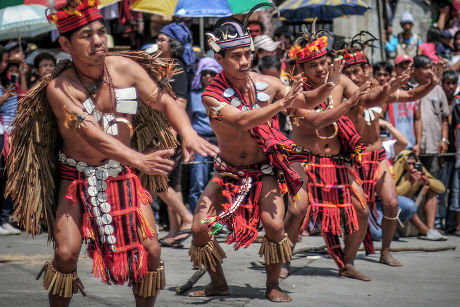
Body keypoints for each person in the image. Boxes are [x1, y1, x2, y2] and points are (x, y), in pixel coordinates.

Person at [6, 1, 218, 306]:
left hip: (123, 175)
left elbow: (166, 101)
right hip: (76, 177)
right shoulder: (59, 87)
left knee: (152, 251)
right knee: (65, 254)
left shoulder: (124, 68)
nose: (97, 40)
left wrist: (188, 132)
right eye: (86, 35)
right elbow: (91, 134)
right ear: (65, 43)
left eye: (100, 32)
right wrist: (138, 159)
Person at [188, 11, 341, 302]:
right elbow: (242, 121)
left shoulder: (268, 84)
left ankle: (273, 284)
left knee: (273, 226)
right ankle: (218, 283)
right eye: (236, 56)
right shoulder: (212, 95)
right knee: (200, 229)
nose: (245, 61)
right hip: (228, 174)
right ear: (220, 60)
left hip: (264, 172)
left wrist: (330, 85)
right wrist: (281, 103)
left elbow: (306, 101)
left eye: (248, 54)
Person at [339, 36, 442, 267]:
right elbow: (365, 101)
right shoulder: (344, 92)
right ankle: (348, 258)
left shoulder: (380, 90)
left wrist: (433, 83)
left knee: (392, 203)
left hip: (377, 157)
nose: (354, 76)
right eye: (349, 71)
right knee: (359, 211)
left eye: (358, 70)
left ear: (368, 69)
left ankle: (385, 251)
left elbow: (412, 95)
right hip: (351, 159)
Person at [283, 23, 372, 281]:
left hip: (336, 160)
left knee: (362, 211)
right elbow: (316, 121)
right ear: (302, 69)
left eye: (323, 62)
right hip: (303, 157)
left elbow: (368, 99)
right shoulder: (295, 92)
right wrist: (349, 103)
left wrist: (390, 90)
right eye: (314, 65)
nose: (321, 69)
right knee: (298, 210)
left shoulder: (341, 80)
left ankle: (348, 263)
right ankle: (284, 258)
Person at [156, 21, 196, 248]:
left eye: (162, 39)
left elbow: (179, 102)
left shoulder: (176, 67)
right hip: (167, 131)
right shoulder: (164, 64)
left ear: (173, 44)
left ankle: (187, 219)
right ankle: (175, 230)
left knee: (157, 181)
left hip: (170, 132)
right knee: (173, 183)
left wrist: (170, 133)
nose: (158, 43)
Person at [369, 119, 418, 241]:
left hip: (385, 199)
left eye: (384, 133)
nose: (383, 136)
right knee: (377, 235)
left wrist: (387, 125)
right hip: (369, 201)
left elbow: (404, 142)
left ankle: (389, 228)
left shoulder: (386, 147)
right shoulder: (364, 146)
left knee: (410, 206)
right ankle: (369, 226)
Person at [188, 57, 222, 214]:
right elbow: (187, 119)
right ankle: (198, 217)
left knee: (219, 181)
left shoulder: (223, 94)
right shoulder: (193, 94)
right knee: (198, 181)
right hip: (200, 141)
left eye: (212, 73)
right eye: (204, 73)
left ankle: (219, 220)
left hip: (219, 141)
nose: (207, 76)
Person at [393, 151, 447, 241]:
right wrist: (410, 182)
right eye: (409, 163)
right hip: (401, 204)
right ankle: (425, 231)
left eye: (413, 163)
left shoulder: (419, 169)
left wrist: (428, 181)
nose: (411, 166)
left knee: (432, 192)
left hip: (414, 202)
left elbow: (442, 188)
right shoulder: (398, 168)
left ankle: (431, 229)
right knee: (408, 202)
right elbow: (393, 193)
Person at [411, 55, 450, 179]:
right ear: (414, 70)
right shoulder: (408, 89)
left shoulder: (438, 90)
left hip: (433, 144)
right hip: (412, 147)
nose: (429, 71)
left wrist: (444, 140)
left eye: (430, 68)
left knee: (433, 182)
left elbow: (445, 119)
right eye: (424, 68)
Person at [0, 47, 20, 236]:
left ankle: (5, 218)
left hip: (9, 134)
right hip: (2, 134)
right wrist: (4, 97)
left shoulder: (5, 81)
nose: (4, 65)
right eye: (3, 60)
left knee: (7, 178)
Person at [384, 54, 422, 151]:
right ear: (395, 68)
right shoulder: (387, 89)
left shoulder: (415, 92)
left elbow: (417, 119)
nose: (405, 71)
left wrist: (418, 143)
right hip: (392, 145)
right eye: (402, 67)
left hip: (411, 145)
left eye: (408, 68)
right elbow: (380, 115)